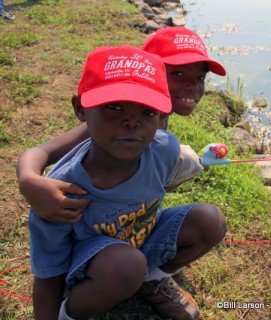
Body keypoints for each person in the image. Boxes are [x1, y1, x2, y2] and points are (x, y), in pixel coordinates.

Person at [27, 45, 226, 320]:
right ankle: (70, 314)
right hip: (95, 267)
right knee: (125, 265)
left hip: (140, 238)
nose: (131, 122)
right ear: (80, 109)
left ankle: (152, 279)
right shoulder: (62, 193)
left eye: (147, 112)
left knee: (209, 220)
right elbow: (49, 275)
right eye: (114, 107)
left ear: (162, 116)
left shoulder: (166, 149)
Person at [17, 26, 226, 224]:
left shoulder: (157, 117)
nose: (192, 85)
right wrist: (29, 181)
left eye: (199, 77)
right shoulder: (114, 124)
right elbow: (42, 150)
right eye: (178, 74)